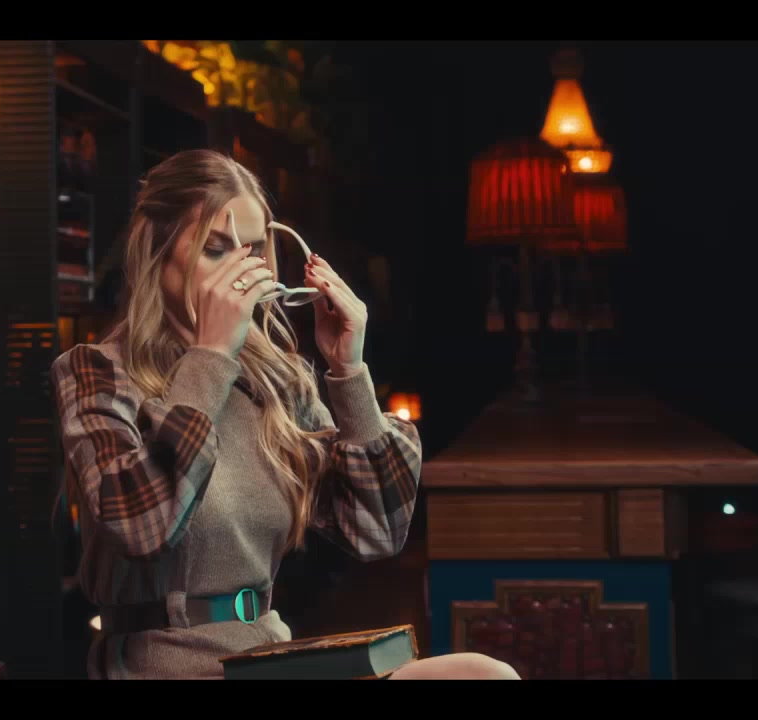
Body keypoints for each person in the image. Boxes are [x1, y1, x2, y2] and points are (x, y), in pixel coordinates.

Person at [52, 149, 519, 680]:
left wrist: (349, 371)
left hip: (267, 662)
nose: (241, 274)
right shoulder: (96, 372)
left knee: (483, 674)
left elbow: (378, 532)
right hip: (158, 669)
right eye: (215, 249)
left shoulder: (276, 380)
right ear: (158, 253)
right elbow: (139, 526)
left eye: (252, 251)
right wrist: (210, 357)